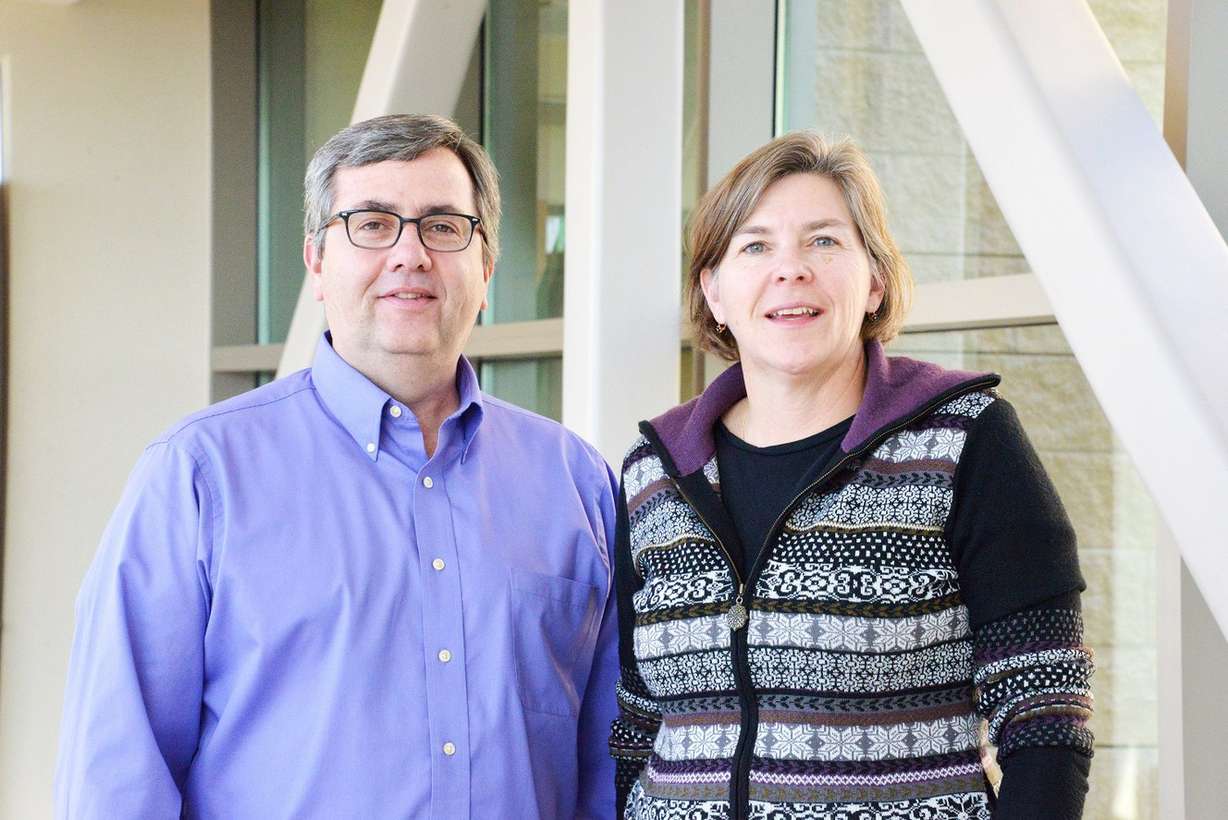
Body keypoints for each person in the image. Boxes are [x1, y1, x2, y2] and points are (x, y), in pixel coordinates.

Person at [55, 114, 619, 819]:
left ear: (487, 265)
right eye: (373, 224)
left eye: (443, 226)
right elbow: (118, 774)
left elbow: (613, 767)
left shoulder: (576, 482)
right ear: (317, 262)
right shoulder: (198, 477)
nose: (411, 254)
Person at [608, 133, 1094, 819]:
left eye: (824, 242)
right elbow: (638, 724)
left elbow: (1044, 715)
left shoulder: (965, 441)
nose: (791, 270)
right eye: (755, 246)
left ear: (876, 281)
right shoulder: (656, 471)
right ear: (713, 293)